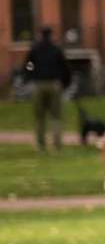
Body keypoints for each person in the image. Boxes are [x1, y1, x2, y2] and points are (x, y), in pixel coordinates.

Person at [25, 25, 72, 153]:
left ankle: (41, 145)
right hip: (54, 84)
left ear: (41, 34)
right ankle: (57, 146)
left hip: (39, 84)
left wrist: (30, 75)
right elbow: (64, 67)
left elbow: (28, 64)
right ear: (51, 34)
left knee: (39, 117)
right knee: (56, 116)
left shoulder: (35, 49)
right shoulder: (57, 50)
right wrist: (66, 82)